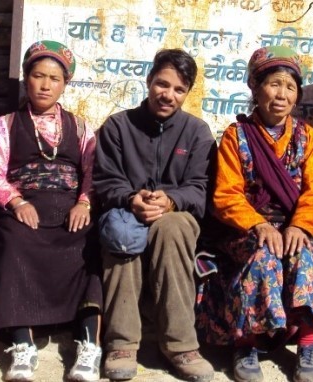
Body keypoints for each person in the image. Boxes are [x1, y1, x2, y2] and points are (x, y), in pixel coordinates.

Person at [195, 46, 313, 382]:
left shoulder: (307, 138)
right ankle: (246, 342)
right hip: (246, 228)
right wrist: (257, 224)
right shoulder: (235, 136)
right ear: (256, 88)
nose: (281, 94)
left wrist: (300, 226)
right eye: (274, 84)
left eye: (290, 87)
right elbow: (226, 194)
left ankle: (308, 342)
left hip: (293, 225)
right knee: (262, 256)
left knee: (304, 258)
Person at [0, 40, 102, 382]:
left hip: (68, 204)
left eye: (54, 79)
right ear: (26, 78)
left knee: (90, 242)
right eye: (37, 76)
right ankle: (22, 344)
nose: (45, 85)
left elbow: (93, 172)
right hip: (22, 204)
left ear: (65, 84)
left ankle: (89, 344)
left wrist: (84, 202)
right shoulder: (6, 124)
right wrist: (16, 202)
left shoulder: (80, 127)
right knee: (13, 239)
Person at [93, 48, 216, 382]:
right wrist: (132, 199)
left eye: (179, 90)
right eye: (162, 85)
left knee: (172, 228)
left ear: (187, 93)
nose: (168, 95)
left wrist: (171, 200)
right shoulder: (119, 126)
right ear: (148, 82)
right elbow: (104, 180)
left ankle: (181, 345)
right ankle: (121, 343)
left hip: (175, 216)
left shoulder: (196, 132)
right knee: (121, 233)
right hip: (125, 210)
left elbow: (199, 188)